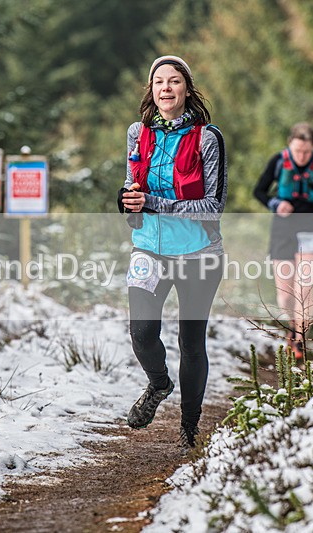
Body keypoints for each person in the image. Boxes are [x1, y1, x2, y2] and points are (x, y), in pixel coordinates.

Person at [117, 55, 227, 449]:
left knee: (191, 343)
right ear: (151, 90)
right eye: (159, 81)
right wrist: (126, 200)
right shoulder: (138, 133)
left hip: (199, 253)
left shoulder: (206, 138)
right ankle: (159, 384)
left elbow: (214, 206)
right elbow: (133, 186)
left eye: (174, 81)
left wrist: (155, 203)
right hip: (149, 250)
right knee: (142, 333)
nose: (166, 88)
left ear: (187, 89)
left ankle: (189, 429)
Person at [253, 122, 313, 359]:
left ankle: (299, 340)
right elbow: (259, 191)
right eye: (297, 151)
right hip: (283, 228)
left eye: (306, 152)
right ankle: (294, 326)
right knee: (285, 294)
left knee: (304, 289)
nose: (302, 157)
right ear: (290, 146)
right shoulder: (278, 161)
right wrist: (275, 204)